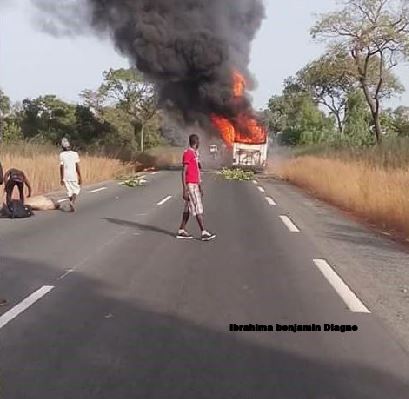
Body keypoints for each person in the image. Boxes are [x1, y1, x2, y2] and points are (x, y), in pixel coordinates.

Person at [177, 134, 216, 241]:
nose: (199, 144)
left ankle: (181, 230)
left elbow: (197, 171)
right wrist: (185, 189)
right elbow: (184, 171)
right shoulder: (188, 153)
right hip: (191, 185)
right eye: (198, 142)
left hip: (195, 184)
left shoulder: (194, 154)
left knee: (188, 209)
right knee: (198, 207)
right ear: (195, 143)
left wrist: (200, 186)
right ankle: (203, 232)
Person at [59, 138, 82, 212]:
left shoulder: (61, 154)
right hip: (73, 175)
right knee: (76, 189)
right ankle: (72, 202)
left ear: (63, 147)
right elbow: (77, 165)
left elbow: (61, 167)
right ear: (70, 146)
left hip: (66, 175)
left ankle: (71, 202)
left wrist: (61, 178)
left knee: (69, 191)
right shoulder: (75, 154)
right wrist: (80, 176)